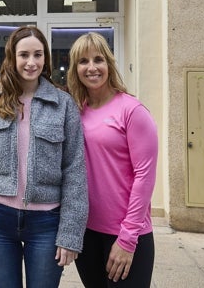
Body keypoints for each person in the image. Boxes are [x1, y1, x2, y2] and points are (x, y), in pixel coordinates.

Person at [0, 26, 88, 288]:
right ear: (12, 58)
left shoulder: (63, 105)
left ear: (46, 59)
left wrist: (70, 234)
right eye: (24, 55)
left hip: (47, 222)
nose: (31, 62)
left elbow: (75, 170)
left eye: (38, 55)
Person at [66, 32, 158, 287]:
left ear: (109, 64)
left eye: (99, 59)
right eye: (83, 61)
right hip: (86, 233)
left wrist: (128, 239)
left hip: (126, 235)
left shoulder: (132, 110)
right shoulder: (77, 111)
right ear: (75, 69)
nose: (92, 67)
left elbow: (145, 177)